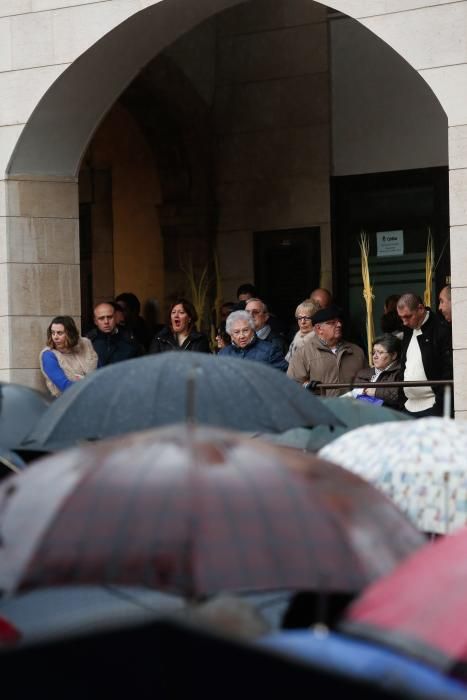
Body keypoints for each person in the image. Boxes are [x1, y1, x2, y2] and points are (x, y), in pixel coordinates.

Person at [287, 304, 367, 396]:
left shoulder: (356, 351)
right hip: (320, 408)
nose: (339, 325)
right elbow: (291, 385)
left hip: (352, 408)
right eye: (332, 322)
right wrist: (307, 387)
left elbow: (368, 380)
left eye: (339, 321)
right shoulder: (303, 353)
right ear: (319, 328)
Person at [397, 292, 452, 417]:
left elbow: (447, 371)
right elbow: (404, 364)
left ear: (421, 309)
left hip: (433, 407)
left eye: (408, 316)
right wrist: (402, 403)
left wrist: (439, 406)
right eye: (401, 318)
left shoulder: (440, 329)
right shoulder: (408, 329)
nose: (404, 322)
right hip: (408, 407)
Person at [40, 316, 98, 397]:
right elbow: (64, 386)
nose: (55, 337)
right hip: (66, 402)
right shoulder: (49, 355)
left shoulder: (85, 345)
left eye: (60, 333)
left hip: (93, 398)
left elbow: (98, 372)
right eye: (53, 333)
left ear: (70, 333)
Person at [219, 311, 288, 371]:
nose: (242, 336)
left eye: (245, 330)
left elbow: (282, 378)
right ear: (230, 334)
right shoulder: (223, 353)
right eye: (236, 332)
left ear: (253, 329)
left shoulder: (270, 351)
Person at [349, 334, 402, 409]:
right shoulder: (363, 373)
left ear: (393, 355)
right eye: (373, 353)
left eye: (380, 352)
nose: (375, 356)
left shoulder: (400, 372)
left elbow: (399, 395)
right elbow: (354, 394)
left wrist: (376, 392)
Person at [87, 302, 141, 367]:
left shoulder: (129, 340)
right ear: (95, 321)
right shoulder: (89, 341)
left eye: (109, 317)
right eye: (101, 318)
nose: (106, 321)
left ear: (115, 317)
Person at [285, 299, 319, 363]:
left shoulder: (319, 341)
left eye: (307, 318)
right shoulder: (297, 338)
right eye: (300, 318)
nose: (303, 322)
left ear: (315, 319)